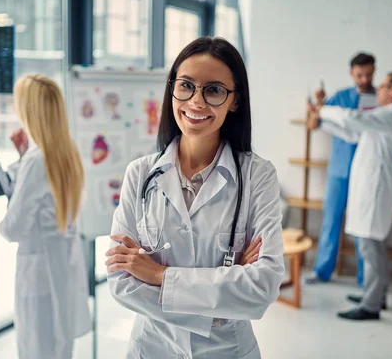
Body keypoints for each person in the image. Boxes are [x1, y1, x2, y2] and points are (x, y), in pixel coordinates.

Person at [105, 37, 285, 359]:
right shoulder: (140, 174)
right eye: (186, 85)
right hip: (152, 348)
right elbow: (122, 283)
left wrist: (159, 275)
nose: (196, 102)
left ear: (234, 101)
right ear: (172, 89)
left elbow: (262, 288)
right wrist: (219, 305)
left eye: (214, 90)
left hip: (227, 350)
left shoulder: (258, 176)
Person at [0, 74, 91, 358]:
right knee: (59, 345)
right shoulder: (66, 151)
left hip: (40, 274)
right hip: (61, 266)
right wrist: (23, 158)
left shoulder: (36, 160)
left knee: (38, 348)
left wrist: (17, 174)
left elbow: (12, 229)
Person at [308, 72, 392, 320]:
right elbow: (352, 133)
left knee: (370, 247)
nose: (379, 90)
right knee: (374, 247)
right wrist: (323, 121)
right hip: (372, 188)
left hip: (376, 190)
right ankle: (376, 295)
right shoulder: (383, 117)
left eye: (384, 86)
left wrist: (322, 110)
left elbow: (353, 118)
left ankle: (371, 305)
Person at [305, 52, 378, 286]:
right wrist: (319, 105)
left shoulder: (381, 99)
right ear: (352, 73)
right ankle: (322, 271)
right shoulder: (340, 97)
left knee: (362, 226)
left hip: (367, 172)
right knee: (331, 221)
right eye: (360, 74)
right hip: (338, 171)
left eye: (369, 73)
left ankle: (364, 279)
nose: (365, 79)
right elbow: (313, 124)